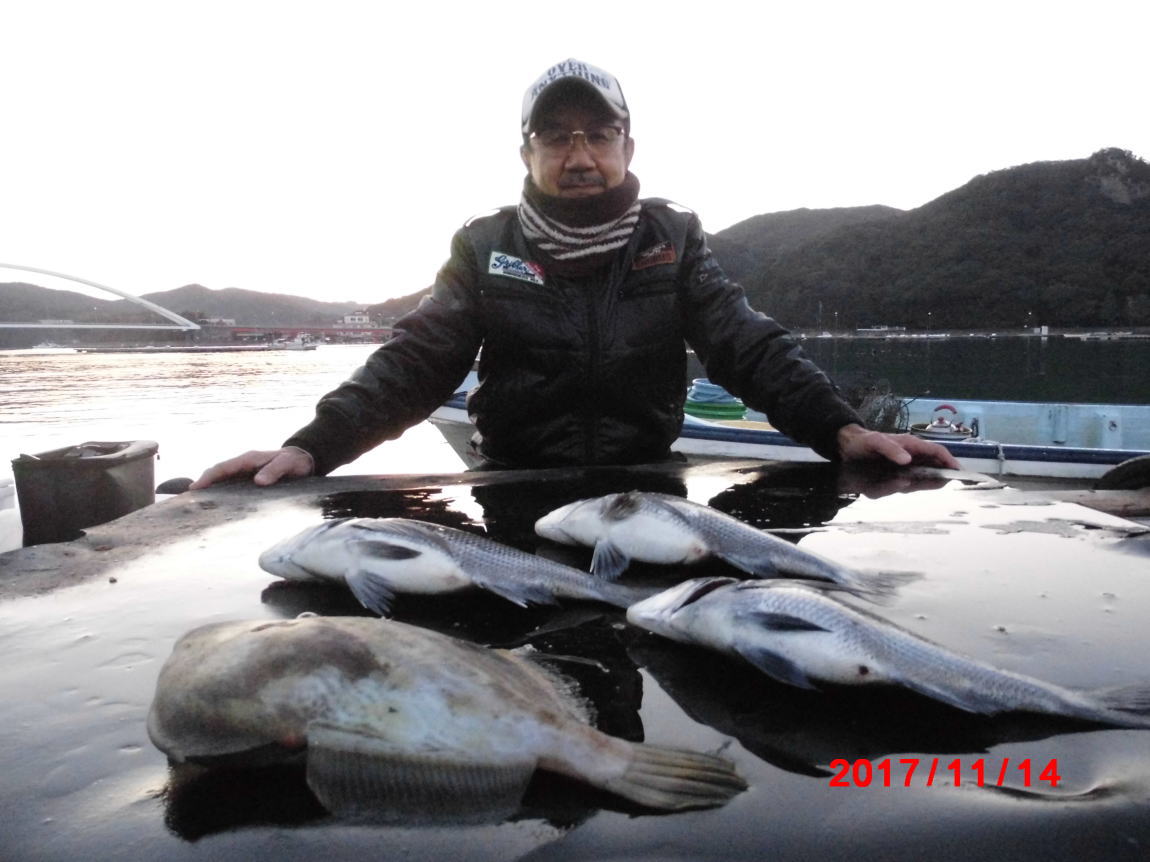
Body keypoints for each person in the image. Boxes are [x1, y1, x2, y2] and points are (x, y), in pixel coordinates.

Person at [193, 59, 956, 489]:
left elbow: (746, 346)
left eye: (599, 134)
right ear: (526, 153)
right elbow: (417, 362)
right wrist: (312, 446)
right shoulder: (484, 245)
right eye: (556, 137)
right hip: (510, 484)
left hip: (649, 484)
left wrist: (840, 429)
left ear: (628, 146)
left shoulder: (673, 239)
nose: (580, 155)